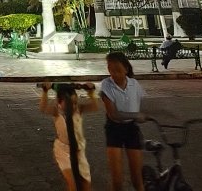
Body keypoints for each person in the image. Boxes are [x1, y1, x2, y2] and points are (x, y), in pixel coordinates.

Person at [39, 81, 98, 190]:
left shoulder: (79, 110)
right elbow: (43, 108)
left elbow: (94, 107)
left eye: (75, 103)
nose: (73, 106)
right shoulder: (57, 111)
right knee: (73, 184)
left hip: (79, 151)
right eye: (70, 103)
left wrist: (91, 92)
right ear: (60, 102)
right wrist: (45, 92)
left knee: (86, 185)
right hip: (63, 151)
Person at [101, 52, 146, 191]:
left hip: (131, 129)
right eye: (110, 70)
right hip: (114, 130)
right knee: (117, 180)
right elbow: (113, 114)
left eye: (118, 70)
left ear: (126, 69)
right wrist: (136, 115)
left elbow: (144, 104)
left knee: (137, 178)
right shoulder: (106, 85)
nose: (114, 74)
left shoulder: (134, 84)